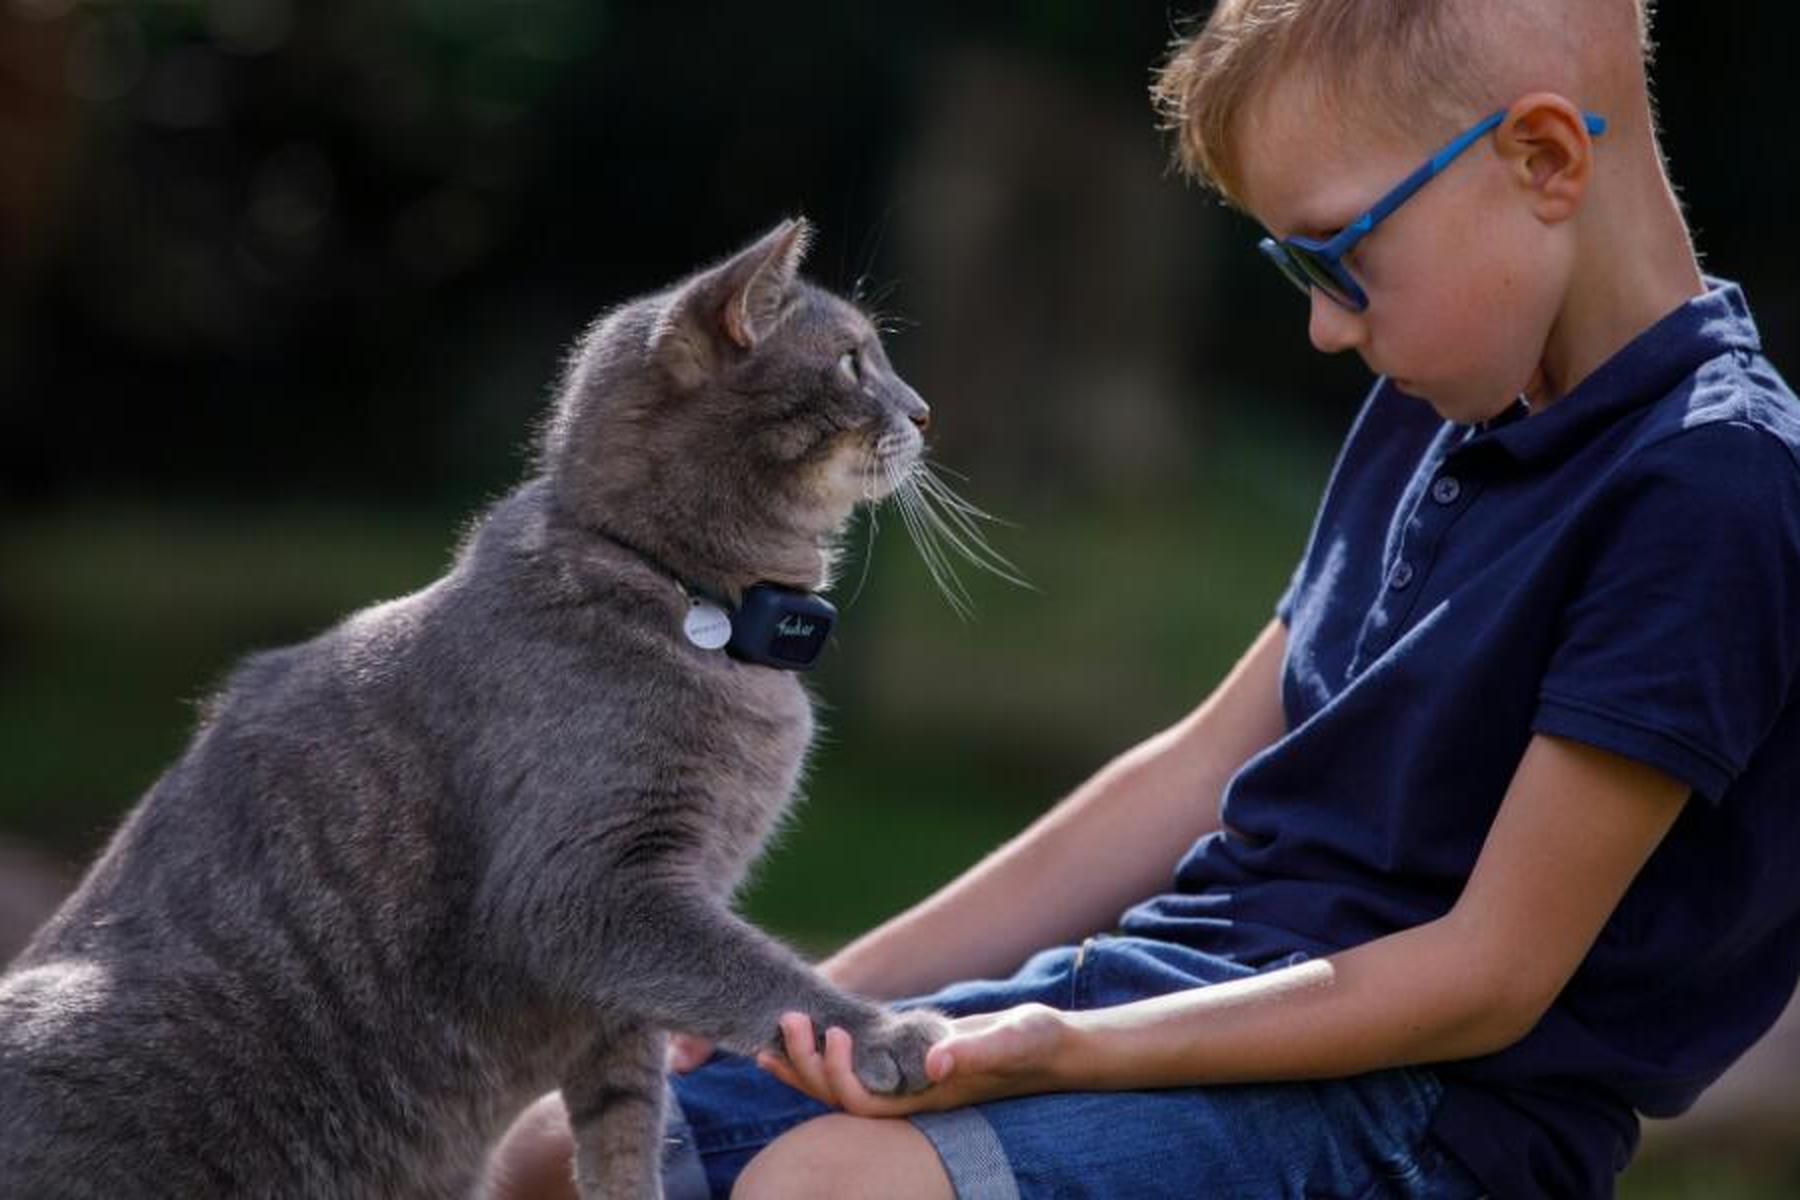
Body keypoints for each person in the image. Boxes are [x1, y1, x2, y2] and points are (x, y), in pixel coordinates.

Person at [486, 1, 1800, 1196]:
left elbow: (1491, 977)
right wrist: (807, 1000)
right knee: (568, 1150)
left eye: (1335, 260)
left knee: (834, 1187)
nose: (1326, 328)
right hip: (1187, 984)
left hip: (1427, 1120)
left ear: (1545, 163)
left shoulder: (1706, 490)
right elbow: (1205, 765)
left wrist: (1067, 1053)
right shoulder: (1448, 398)